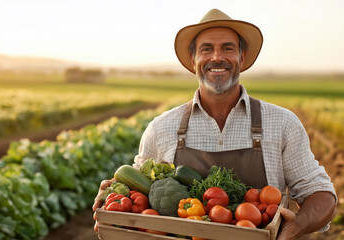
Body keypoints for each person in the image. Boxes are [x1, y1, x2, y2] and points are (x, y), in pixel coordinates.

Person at [92, 9, 336, 239]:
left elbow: (322, 194)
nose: (217, 57)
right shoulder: (161, 129)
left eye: (227, 49)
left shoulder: (282, 123)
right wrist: (115, 194)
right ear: (193, 59)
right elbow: (139, 193)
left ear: (241, 56)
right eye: (206, 49)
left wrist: (292, 230)